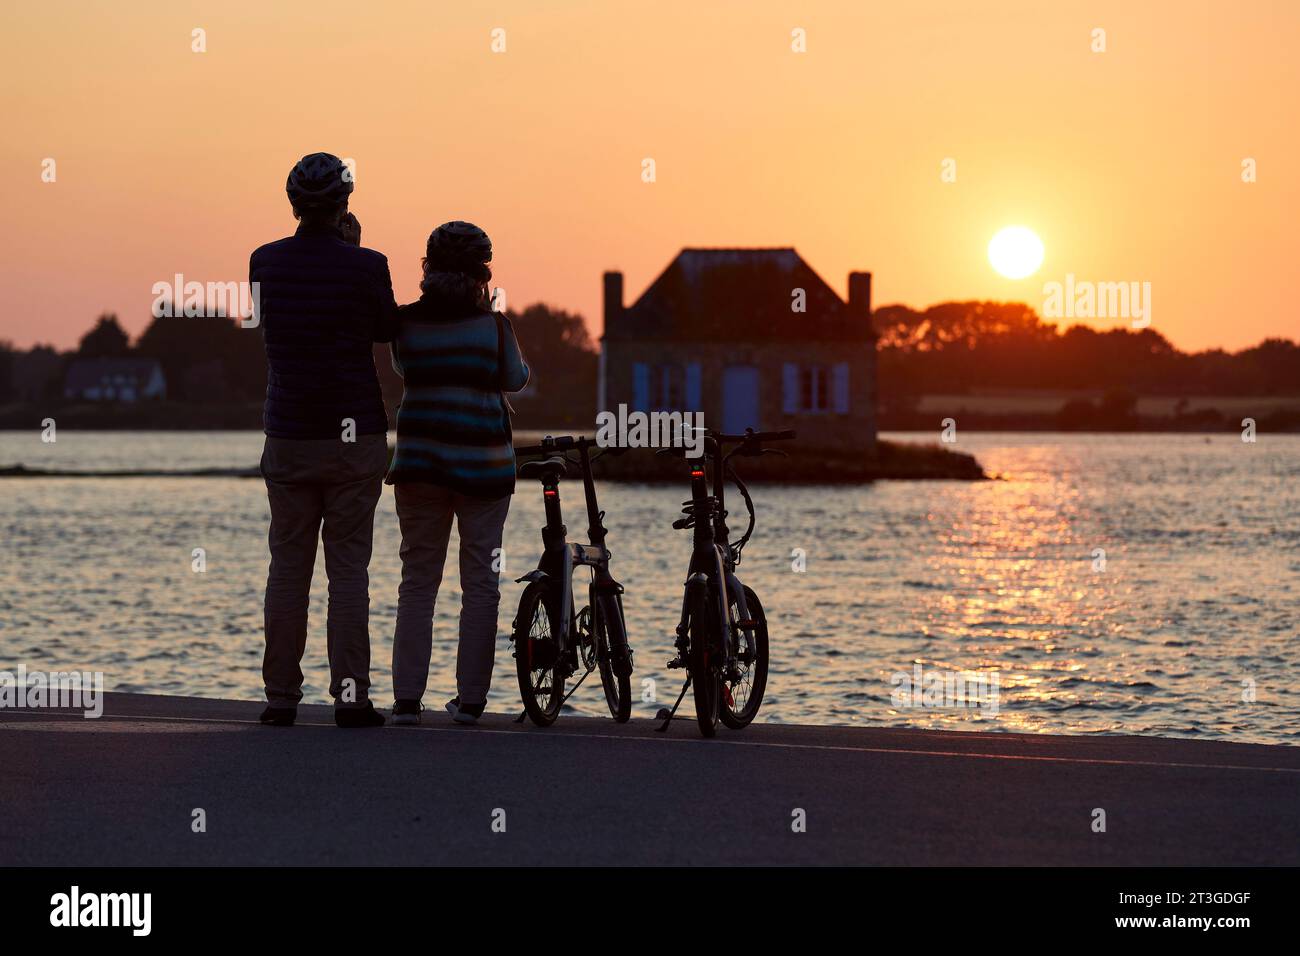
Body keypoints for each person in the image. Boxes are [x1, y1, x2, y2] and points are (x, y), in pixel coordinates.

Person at [250, 152, 397, 728]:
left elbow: (267, 322)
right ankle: (351, 697)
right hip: (353, 434)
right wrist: (354, 251)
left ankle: (281, 696)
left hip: (288, 432)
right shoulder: (367, 264)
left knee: (287, 568)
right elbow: (386, 329)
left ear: (292, 204)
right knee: (348, 571)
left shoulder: (263, 261)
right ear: (344, 205)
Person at [387, 221, 529, 725]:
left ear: (427, 269)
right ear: (482, 275)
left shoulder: (405, 323)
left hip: (420, 465)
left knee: (417, 582)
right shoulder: (495, 327)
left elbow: (406, 370)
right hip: (484, 472)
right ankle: (471, 702)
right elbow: (515, 379)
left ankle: (406, 698)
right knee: (481, 585)